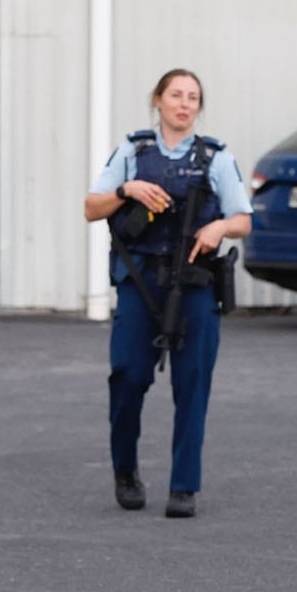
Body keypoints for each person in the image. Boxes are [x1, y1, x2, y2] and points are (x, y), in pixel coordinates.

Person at [82, 69, 252, 519]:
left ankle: (184, 486)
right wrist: (126, 188)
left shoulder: (215, 158)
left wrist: (219, 226)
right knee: (128, 375)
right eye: (175, 95)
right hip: (141, 283)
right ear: (157, 100)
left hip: (195, 283)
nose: (184, 103)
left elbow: (242, 218)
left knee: (192, 382)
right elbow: (91, 207)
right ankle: (125, 471)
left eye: (193, 97)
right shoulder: (132, 152)